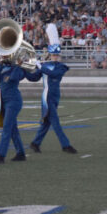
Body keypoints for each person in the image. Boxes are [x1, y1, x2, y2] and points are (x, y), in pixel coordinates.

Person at [29, 24, 77, 154]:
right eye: (53, 55)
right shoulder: (44, 65)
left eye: (57, 55)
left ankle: (35, 143)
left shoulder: (61, 67)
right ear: (50, 55)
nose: (55, 57)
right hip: (47, 97)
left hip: (55, 96)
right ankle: (65, 145)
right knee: (55, 122)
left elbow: (54, 74)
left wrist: (40, 66)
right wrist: (24, 68)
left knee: (47, 122)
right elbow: (33, 78)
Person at [0, 53, 41, 164]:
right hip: (4, 101)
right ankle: (21, 153)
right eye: (4, 55)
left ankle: (0, 155)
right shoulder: (1, 68)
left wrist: (18, 65)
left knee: (7, 128)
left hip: (14, 101)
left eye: (6, 55)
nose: (4, 56)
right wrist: (0, 64)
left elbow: (14, 78)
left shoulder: (18, 69)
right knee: (13, 129)